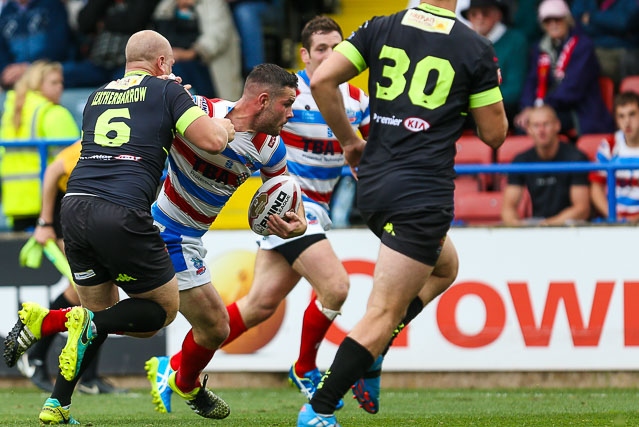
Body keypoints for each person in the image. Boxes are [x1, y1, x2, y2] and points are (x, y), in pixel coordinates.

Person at [3, 30, 233, 425]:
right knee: (161, 312)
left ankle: (57, 404)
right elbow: (212, 140)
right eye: (171, 65)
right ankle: (50, 321)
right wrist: (223, 124)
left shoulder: (95, 96)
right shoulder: (167, 91)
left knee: (94, 313)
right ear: (162, 63)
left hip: (73, 209)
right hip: (122, 212)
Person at [298, 1, 508, 425]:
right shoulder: (474, 47)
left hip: (374, 185)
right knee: (382, 313)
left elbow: (321, 80)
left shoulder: (380, 26)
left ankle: (372, 355)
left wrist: (351, 142)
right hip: (421, 193)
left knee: (445, 267)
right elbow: (495, 134)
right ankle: (318, 409)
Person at [212, 16, 370, 409]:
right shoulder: (291, 95)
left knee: (258, 305)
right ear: (305, 54)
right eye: (321, 49)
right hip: (289, 206)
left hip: (318, 210)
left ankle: (175, 364)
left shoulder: (358, 101)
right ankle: (305, 366)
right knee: (336, 286)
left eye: (338, 48)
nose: (331, 55)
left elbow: (365, 160)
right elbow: (243, 119)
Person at [143, 63, 306, 418]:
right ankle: (182, 381)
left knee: (203, 325)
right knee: (208, 324)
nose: (291, 114)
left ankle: (177, 378)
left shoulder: (270, 149)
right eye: (287, 104)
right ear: (263, 100)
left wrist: (298, 223)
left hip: (189, 237)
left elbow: (286, 194)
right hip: (165, 230)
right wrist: (163, 84)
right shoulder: (202, 114)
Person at [15, 140, 126, 395]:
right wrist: (44, 222)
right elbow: (54, 170)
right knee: (88, 290)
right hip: (70, 209)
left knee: (93, 293)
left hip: (90, 211)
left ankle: (82, 373)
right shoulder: (98, 141)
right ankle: (38, 358)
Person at [514, 0, 615, 140]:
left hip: (578, 111)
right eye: (548, 21)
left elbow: (572, 89)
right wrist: (527, 107)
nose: (553, 24)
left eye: (558, 19)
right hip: (550, 107)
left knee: (538, 124)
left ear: (567, 20)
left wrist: (539, 109)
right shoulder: (540, 48)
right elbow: (532, 81)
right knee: (523, 126)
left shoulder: (583, 46)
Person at [0, 60, 80, 231]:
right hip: (50, 203)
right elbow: (74, 163)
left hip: (17, 202)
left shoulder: (11, 111)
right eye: (54, 82)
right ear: (37, 83)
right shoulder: (53, 113)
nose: (60, 87)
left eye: (61, 82)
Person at [502, 105, 591, 226]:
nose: (541, 130)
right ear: (528, 129)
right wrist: (516, 226)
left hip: (572, 227)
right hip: (538, 226)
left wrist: (547, 225)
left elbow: (582, 209)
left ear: (557, 126)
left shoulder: (576, 158)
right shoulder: (521, 160)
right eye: (536, 125)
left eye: (546, 124)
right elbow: (508, 207)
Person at [153, 0, 243, 100]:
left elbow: (217, 38)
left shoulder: (214, 4)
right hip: (173, 62)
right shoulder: (166, 6)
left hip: (205, 65)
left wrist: (188, 54)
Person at [462, 0, 528, 126]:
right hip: (470, 107)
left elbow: (514, 91)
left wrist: (474, 101)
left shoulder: (516, 41)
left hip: (502, 108)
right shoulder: (464, 43)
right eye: (474, 14)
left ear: (498, 15)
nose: (479, 18)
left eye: (485, 13)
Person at [0, 0, 73, 89]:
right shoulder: (6, 12)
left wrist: (28, 67)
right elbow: (2, 50)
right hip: (16, 78)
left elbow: (58, 46)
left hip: (48, 70)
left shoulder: (52, 5)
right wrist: (6, 70)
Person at [590, 91, 639, 223]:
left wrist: (635, 220)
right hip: (613, 221)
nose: (627, 122)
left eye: (632, 114)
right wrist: (613, 217)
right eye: (621, 116)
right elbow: (596, 188)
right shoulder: (610, 145)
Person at [571, 0, 639, 89]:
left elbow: (622, 22)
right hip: (592, 48)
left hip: (623, 51)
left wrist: (591, 17)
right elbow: (575, 20)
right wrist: (609, 26)